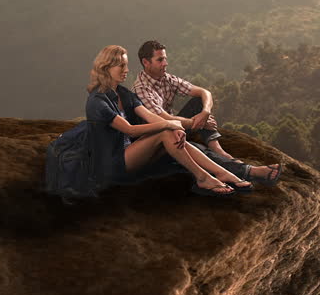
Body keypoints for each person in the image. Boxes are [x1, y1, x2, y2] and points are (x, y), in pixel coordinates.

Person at [85, 45, 253, 196]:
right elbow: (130, 130)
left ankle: (221, 172)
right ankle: (202, 177)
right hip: (112, 163)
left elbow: (151, 117)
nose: (126, 69)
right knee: (165, 131)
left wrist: (175, 127)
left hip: (131, 155)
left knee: (170, 133)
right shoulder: (97, 101)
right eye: (121, 65)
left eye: (126, 65)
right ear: (106, 68)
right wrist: (170, 125)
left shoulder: (124, 93)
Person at [132, 40, 281, 185]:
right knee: (196, 149)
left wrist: (205, 112)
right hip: (156, 141)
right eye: (160, 60)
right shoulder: (141, 88)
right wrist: (198, 123)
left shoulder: (166, 78)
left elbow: (204, 92)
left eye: (165, 59)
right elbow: (164, 119)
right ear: (146, 62)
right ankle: (249, 171)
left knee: (198, 102)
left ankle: (218, 149)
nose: (165, 63)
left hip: (174, 128)